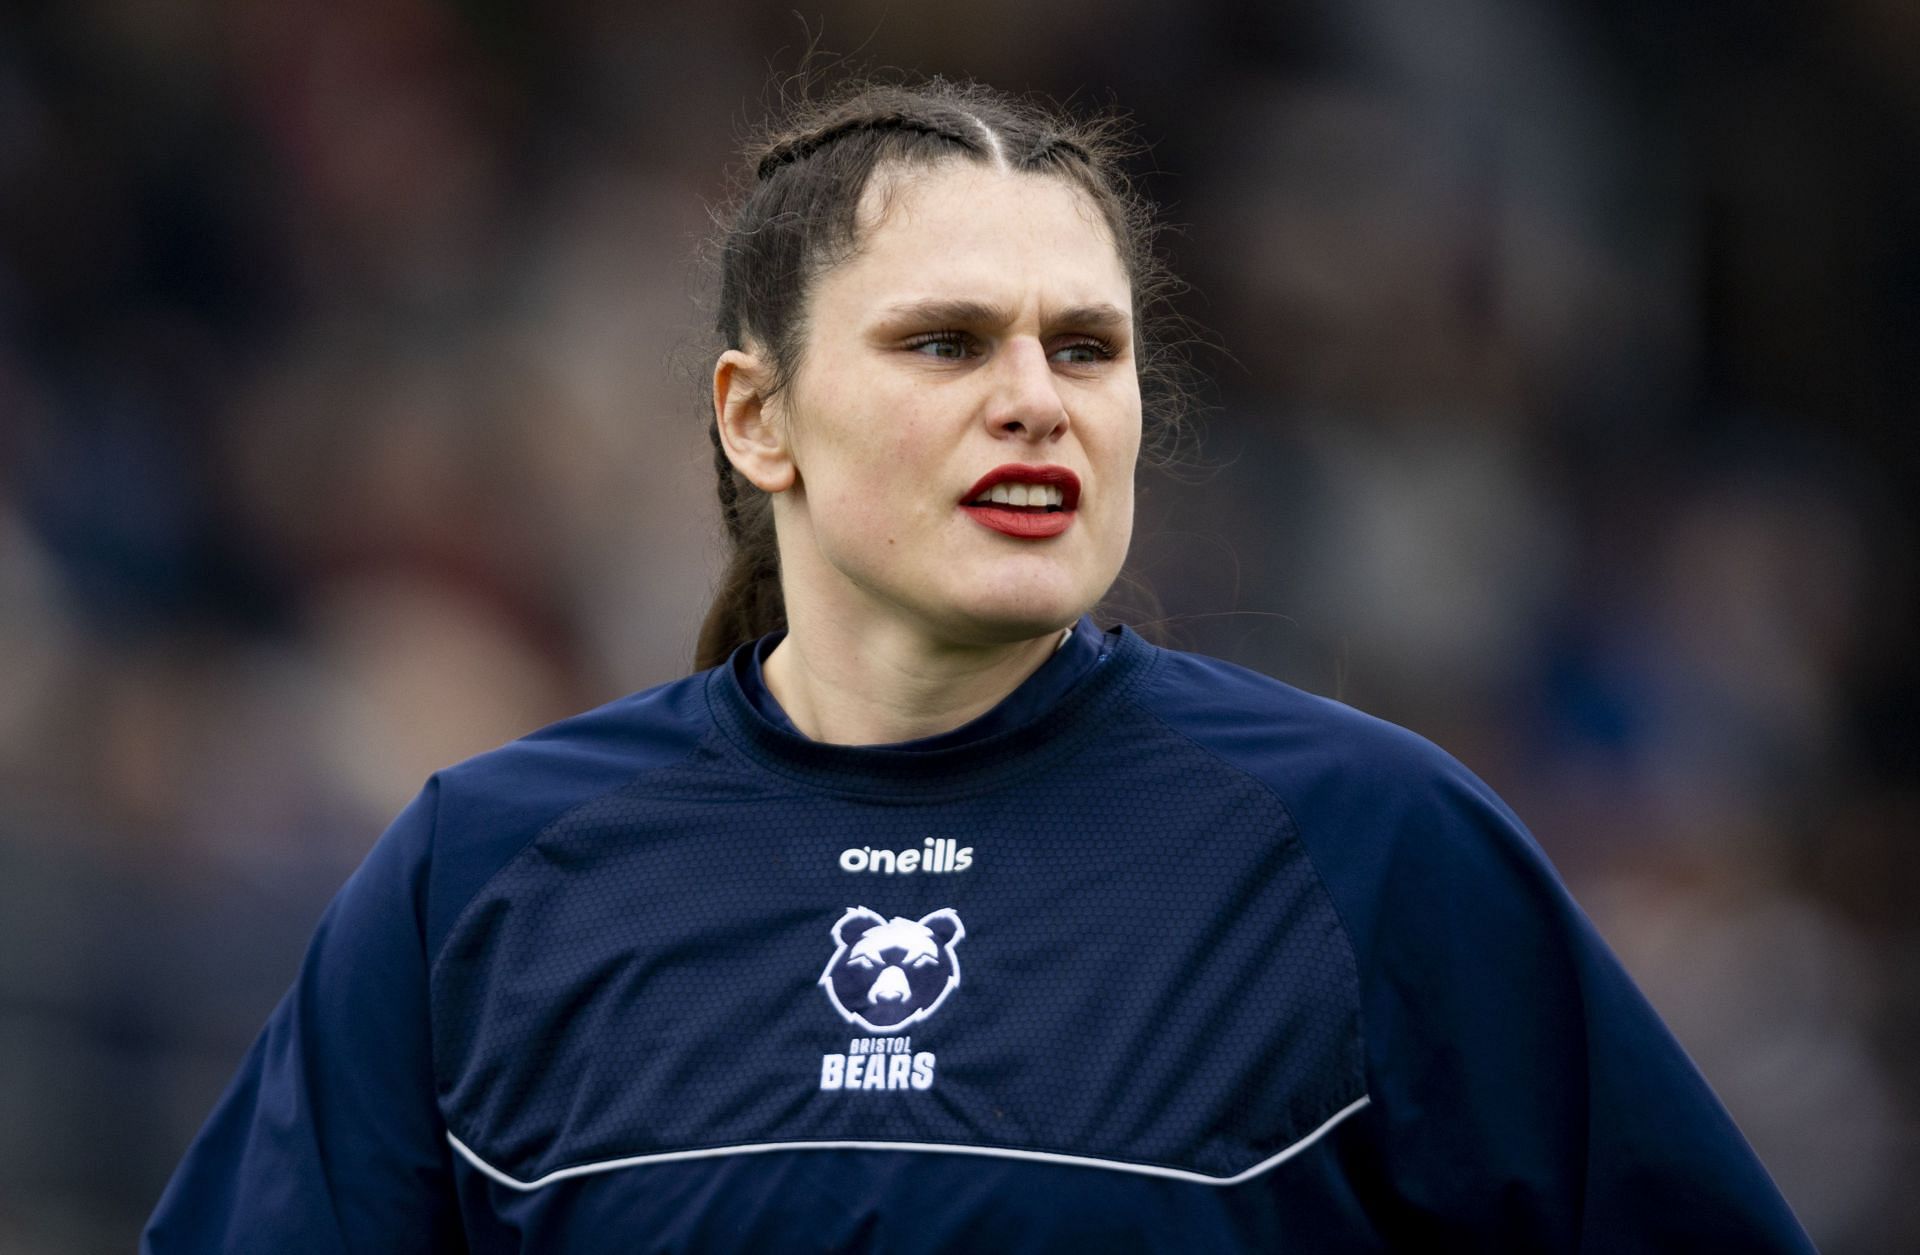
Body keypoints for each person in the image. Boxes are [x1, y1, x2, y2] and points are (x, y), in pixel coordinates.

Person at [143, 78, 1814, 1253]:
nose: (1038, 398)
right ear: (757, 416)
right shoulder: (483, 871)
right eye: (946, 342)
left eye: (1086, 347)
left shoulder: (1371, 845)